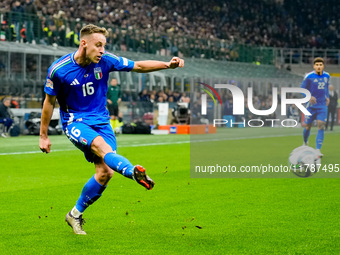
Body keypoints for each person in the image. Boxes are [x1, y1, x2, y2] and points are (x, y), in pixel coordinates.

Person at [39, 24, 184, 235]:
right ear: (83, 43)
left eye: (104, 46)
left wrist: (166, 65)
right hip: (75, 122)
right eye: (98, 45)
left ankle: (74, 215)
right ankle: (132, 172)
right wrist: (43, 136)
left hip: (102, 121)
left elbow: (139, 66)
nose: (102, 50)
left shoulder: (106, 61)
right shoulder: (59, 69)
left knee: (105, 172)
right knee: (102, 147)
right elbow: (49, 102)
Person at [301, 57, 329, 157]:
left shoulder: (327, 76)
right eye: (317, 65)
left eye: (320, 65)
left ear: (323, 66)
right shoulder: (308, 76)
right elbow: (302, 89)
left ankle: (318, 150)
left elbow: (326, 87)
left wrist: (327, 96)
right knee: (308, 126)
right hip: (311, 106)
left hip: (322, 106)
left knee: (321, 125)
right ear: (314, 66)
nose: (319, 66)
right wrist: (309, 97)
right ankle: (305, 142)